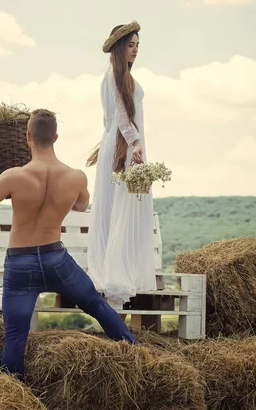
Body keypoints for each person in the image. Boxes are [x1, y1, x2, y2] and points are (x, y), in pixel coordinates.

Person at [0, 109, 136, 381]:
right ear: (56, 137)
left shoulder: (13, 176)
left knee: (15, 334)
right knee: (96, 304)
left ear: (27, 137)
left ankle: (13, 389)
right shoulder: (76, 177)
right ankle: (136, 353)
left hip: (20, 264)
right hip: (55, 260)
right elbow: (81, 205)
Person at [87, 22, 157, 309]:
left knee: (128, 208)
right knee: (119, 209)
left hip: (127, 148)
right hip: (124, 148)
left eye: (138, 45)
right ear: (119, 48)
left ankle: (125, 272)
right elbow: (119, 115)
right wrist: (135, 141)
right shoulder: (113, 76)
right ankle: (115, 278)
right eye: (131, 45)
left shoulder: (124, 77)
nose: (136, 50)